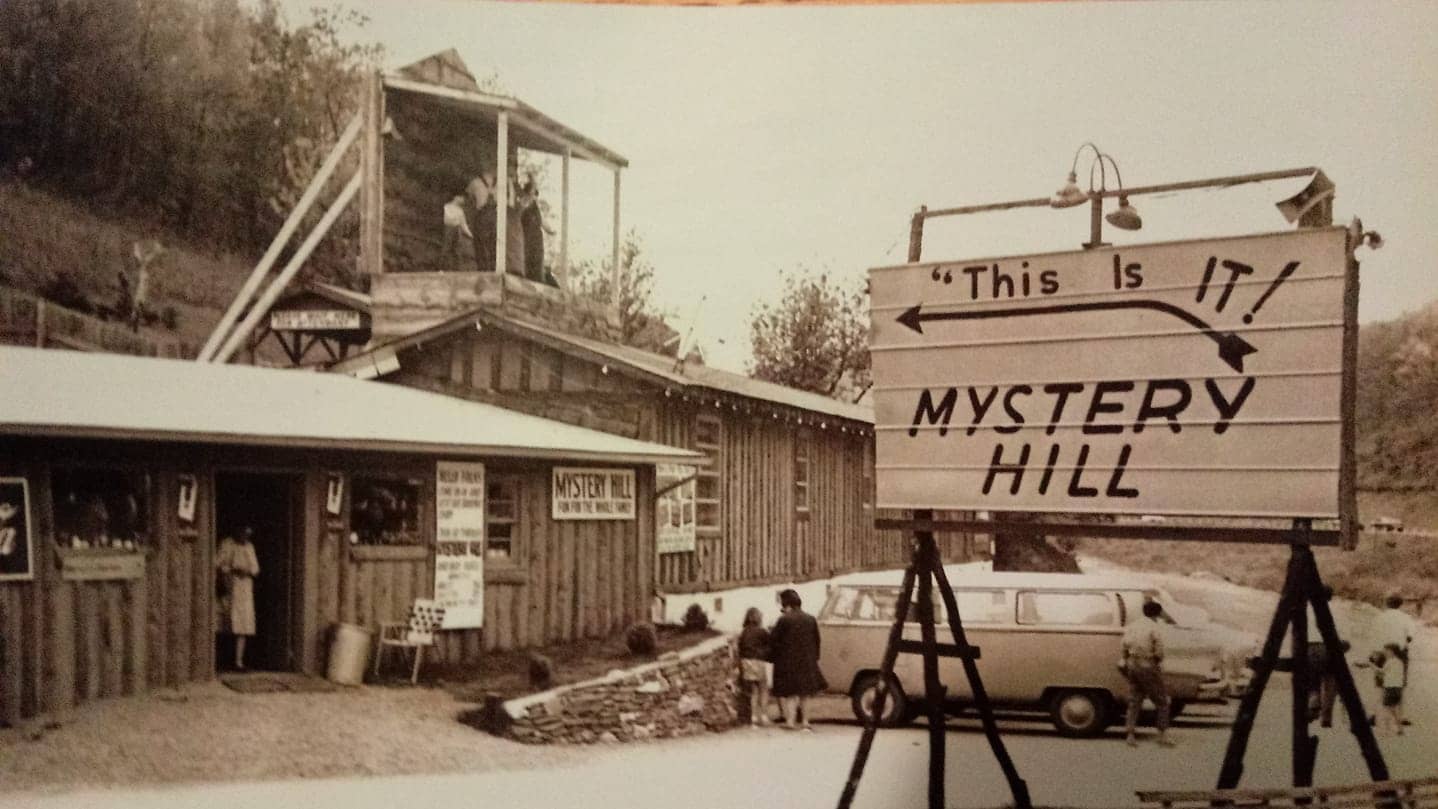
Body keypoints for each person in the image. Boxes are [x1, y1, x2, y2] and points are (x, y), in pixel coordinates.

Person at [768, 589, 826, 731]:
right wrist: (814, 657)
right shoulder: (811, 619)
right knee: (805, 694)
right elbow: (817, 640)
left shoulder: (784, 620)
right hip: (807, 660)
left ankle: (790, 722)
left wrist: (773, 657)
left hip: (788, 662)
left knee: (791, 694)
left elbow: (774, 641)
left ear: (786, 604)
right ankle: (806, 722)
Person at [1120, 599, 1174, 747]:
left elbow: (1124, 646)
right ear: (1156, 613)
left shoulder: (1132, 626)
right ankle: (1162, 736)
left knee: (1134, 701)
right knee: (1162, 701)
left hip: (1132, 664)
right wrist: (1158, 661)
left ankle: (1130, 734)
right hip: (1148, 665)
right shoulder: (1154, 628)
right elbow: (1159, 651)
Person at [216, 526, 260, 670]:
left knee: (243, 625)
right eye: (242, 534)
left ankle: (238, 661)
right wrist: (230, 570)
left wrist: (246, 571)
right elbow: (217, 563)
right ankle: (221, 659)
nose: (244, 538)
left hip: (244, 589)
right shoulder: (227, 544)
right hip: (229, 586)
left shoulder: (249, 547)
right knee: (224, 622)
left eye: (247, 536)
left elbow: (255, 569)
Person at [1372, 593, 1415, 731]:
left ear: (1386, 603)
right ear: (1400, 604)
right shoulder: (1406, 617)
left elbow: (1374, 634)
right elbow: (1410, 637)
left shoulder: (1379, 617)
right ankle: (1400, 715)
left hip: (1382, 651)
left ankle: (1378, 713)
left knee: (1380, 683)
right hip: (1399, 652)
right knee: (1399, 684)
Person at [738, 607, 772, 727]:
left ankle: (753, 718)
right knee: (763, 689)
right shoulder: (762, 631)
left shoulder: (744, 632)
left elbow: (740, 648)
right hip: (759, 661)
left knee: (752, 692)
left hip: (746, 662)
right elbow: (770, 645)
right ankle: (763, 716)